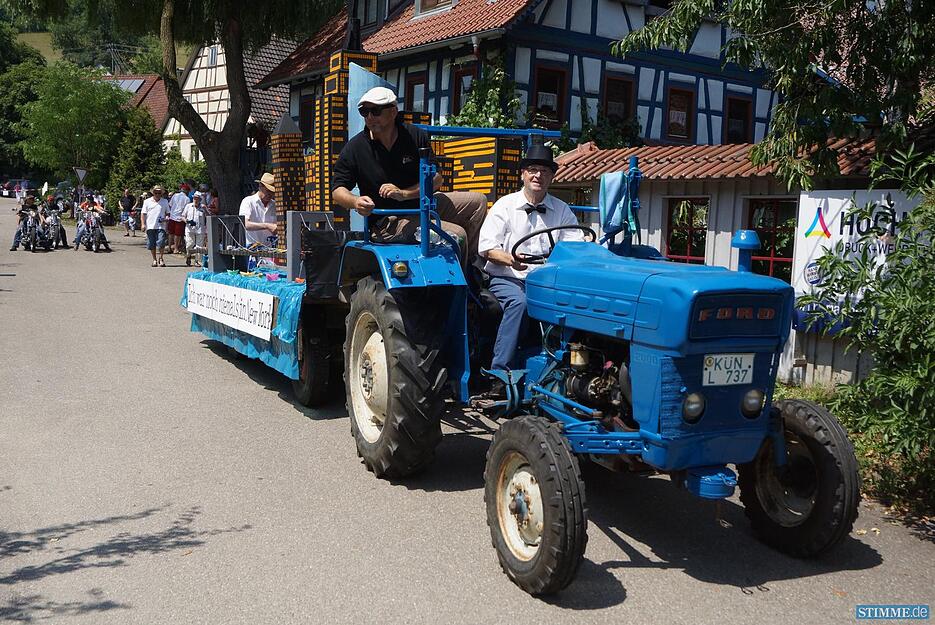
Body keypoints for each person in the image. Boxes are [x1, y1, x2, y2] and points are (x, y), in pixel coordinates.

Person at [331, 86, 486, 273]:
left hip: (421, 205)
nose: (369, 117)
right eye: (364, 111)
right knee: (457, 234)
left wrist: (405, 194)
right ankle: (460, 286)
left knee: (479, 201)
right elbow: (337, 190)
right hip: (388, 221)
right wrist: (356, 201)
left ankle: (470, 267)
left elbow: (437, 178)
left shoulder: (414, 136)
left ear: (393, 112)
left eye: (375, 111)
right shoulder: (355, 147)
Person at [477, 142, 585, 381]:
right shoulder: (504, 206)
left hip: (547, 280)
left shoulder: (561, 209)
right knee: (520, 303)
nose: (539, 175)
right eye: (534, 170)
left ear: (552, 177)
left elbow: (575, 245)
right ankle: (500, 372)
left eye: (545, 171)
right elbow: (486, 248)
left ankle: (568, 368)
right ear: (523, 174)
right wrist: (511, 260)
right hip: (508, 278)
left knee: (578, 304)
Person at [239, 173, 277, 247]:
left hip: (271, 250)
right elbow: (245, 224)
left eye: (272, 192)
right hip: (251, 249)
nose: (270, 194)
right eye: (268, 191)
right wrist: (267, 226)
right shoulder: (248, 201)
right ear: (260, 187)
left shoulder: (275, 205)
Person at [142, 185, 169, 267]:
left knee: (161, 242)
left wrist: (166, 218)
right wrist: (143, 224)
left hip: (161, 226)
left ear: (161, 193)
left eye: (159, 193)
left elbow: (168, 213)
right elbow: (143, 213)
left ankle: (161, 258)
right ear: (153, 193)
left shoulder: (165, 201)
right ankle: (154, 259)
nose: (157, 194)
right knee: (151, 244)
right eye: (156, 192)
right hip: (150, 226)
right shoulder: (147, 201)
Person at [183, 191, 206, 266]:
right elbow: (182, 216)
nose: (195, 200)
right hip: (189, 229)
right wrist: (186, 221)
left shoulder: (203, 207)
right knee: (189, 244)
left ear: (200, 199)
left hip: (200, 229)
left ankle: (197, 261)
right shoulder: (188, 206)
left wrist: (206, 209)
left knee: (199, 246)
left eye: (197, 199)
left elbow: (209, 216)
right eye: (194, 198)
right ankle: (188, 255)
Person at [167, 183, 189, 253]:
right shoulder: (187, 199)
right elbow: (186, 209)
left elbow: (170, 205)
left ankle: (169, 247)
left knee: (171, 233)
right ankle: (176, 248)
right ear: (186, 190)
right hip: (180, 218)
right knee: (178, 234)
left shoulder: (175, 195)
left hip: (172, 216)